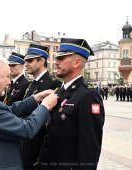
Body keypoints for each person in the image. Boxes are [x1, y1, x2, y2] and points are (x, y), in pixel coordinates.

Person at [39, 38, 105, 170]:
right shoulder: (59, 91)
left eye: (61, 58)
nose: (56, 62)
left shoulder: (88, 96)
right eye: (57, 58)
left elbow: (90, 148)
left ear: (77, 62)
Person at [22, 44, 61, 170]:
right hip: (27, 143)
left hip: (40, 147)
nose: (26, 64)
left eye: (30, 60)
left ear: (42, 60)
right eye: (25, 61)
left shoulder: (54, 83)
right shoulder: (31, 84)